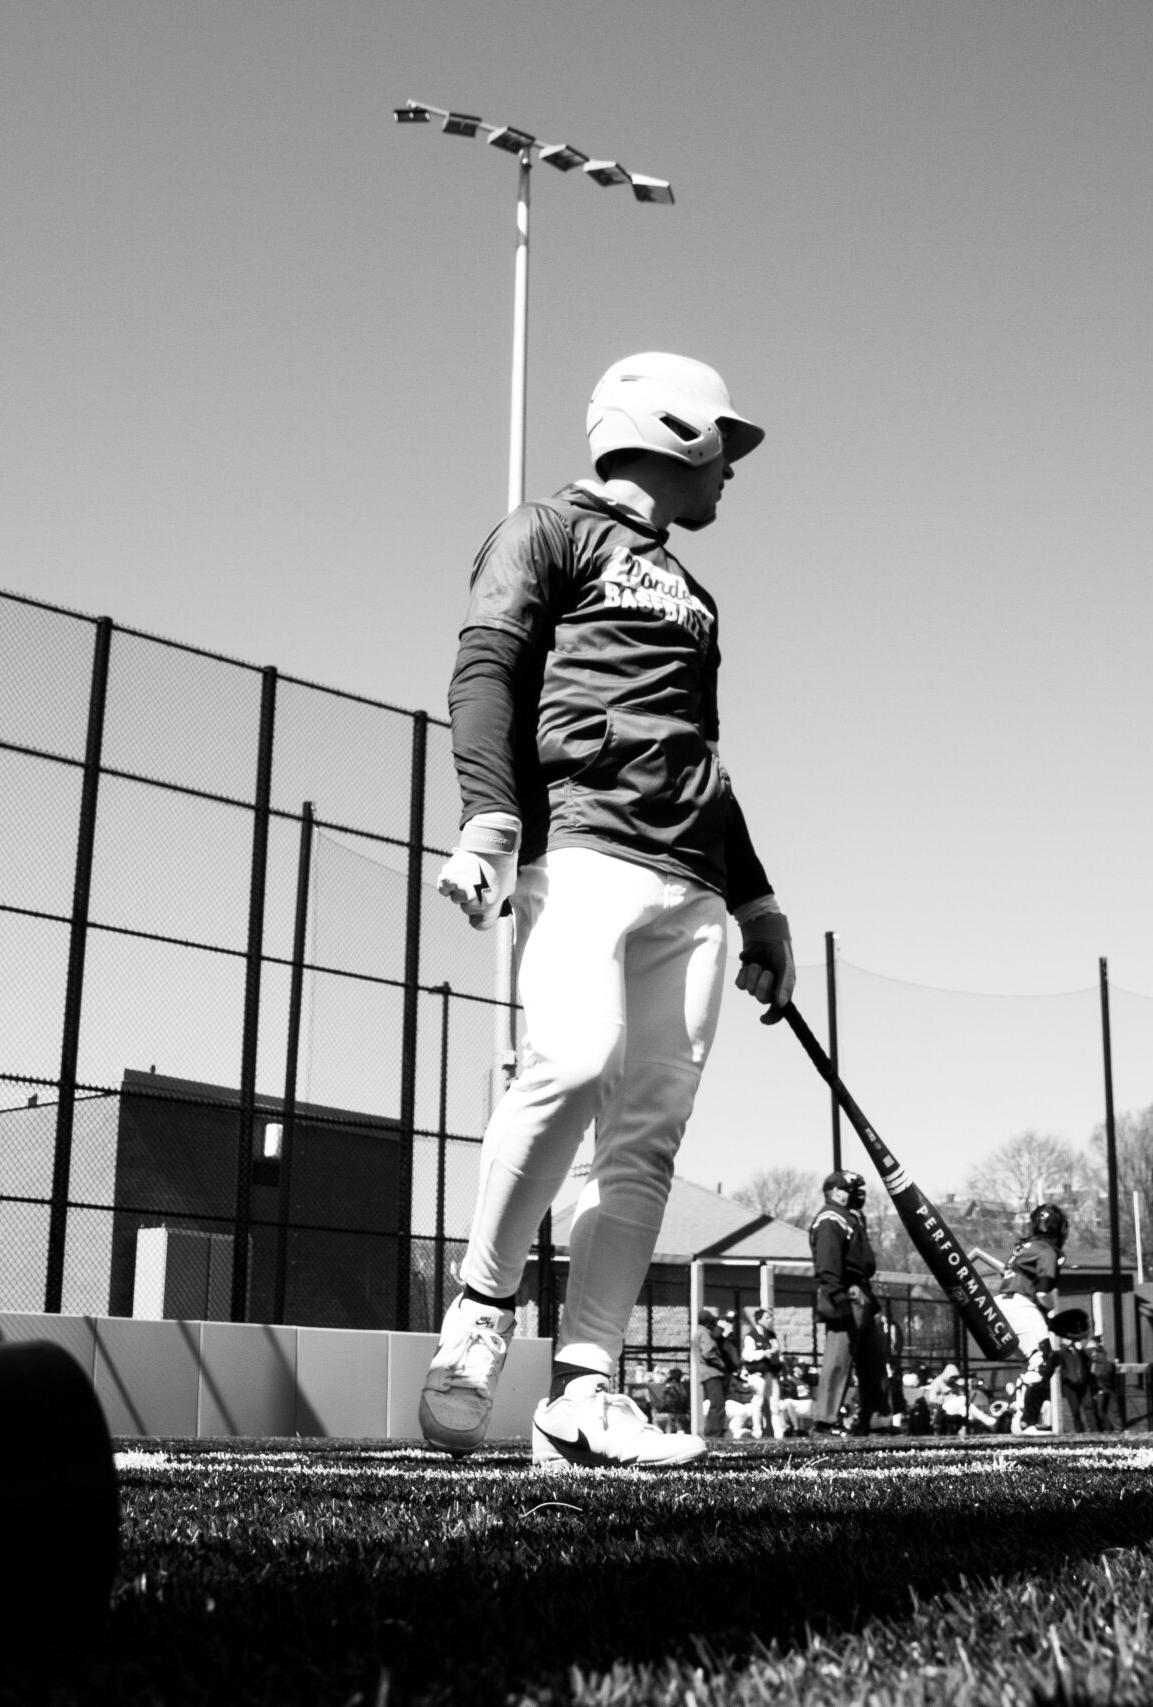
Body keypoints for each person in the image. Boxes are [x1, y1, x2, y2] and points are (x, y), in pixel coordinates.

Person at [416, 354, 794, 1470]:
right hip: (581, 854)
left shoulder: (698, 593)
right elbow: (484, 670)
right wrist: (489, 817)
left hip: (693, 886)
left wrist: (760, 900)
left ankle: (582, 1394)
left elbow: (703, 763)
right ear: (669, 430)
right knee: (569, 1064)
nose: (731, 466)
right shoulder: (542, 530)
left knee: (645, 1147)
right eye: (723, 441)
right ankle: (480, 1311)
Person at [809, 1169, 889, 1436]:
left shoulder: (851, 1218)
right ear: (836, 1192)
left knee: (874, 1360)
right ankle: (825, 1420)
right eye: (851, 1188)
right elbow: (828, 1263)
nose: (857, 1194)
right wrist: (838, 1298)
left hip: (863, 1295)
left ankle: (876, 1419)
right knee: (838, 1360)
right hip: (847, 1294)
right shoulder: (830, 1218)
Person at [996, 1204, 1070, 1433]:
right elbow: (1043, 1292)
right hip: (1020, 1304)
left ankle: (1020, 1411)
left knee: (1032, 1364)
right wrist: (1052, 1311)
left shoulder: (1023, 1248)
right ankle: (1024, 1420)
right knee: (1044, 1359)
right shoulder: (1046, 1250)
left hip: (1001, 1303)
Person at [693, 1306, 739, 1439]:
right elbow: (708, 1353)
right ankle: (713, 1434)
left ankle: (714, 1432)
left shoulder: (699, 1332)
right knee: (717, 1404)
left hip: (709, 1373)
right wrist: (722, 1364)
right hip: (712, 1373)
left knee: (717, 1404)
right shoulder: (704, 1333)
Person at [741, 1305, 785, 1439]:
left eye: (770, 1317)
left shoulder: (771, 1335)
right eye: (767, 1317)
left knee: (775, 1404)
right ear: (759, 1320)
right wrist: (763, 1353)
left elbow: (777, 1352)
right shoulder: (751, 1336)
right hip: (757, 1374)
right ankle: (757, 1431)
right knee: (758, 1403)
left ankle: (779, 1433)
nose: (770, 1320)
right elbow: (747, 1355)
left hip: (771, 1373)